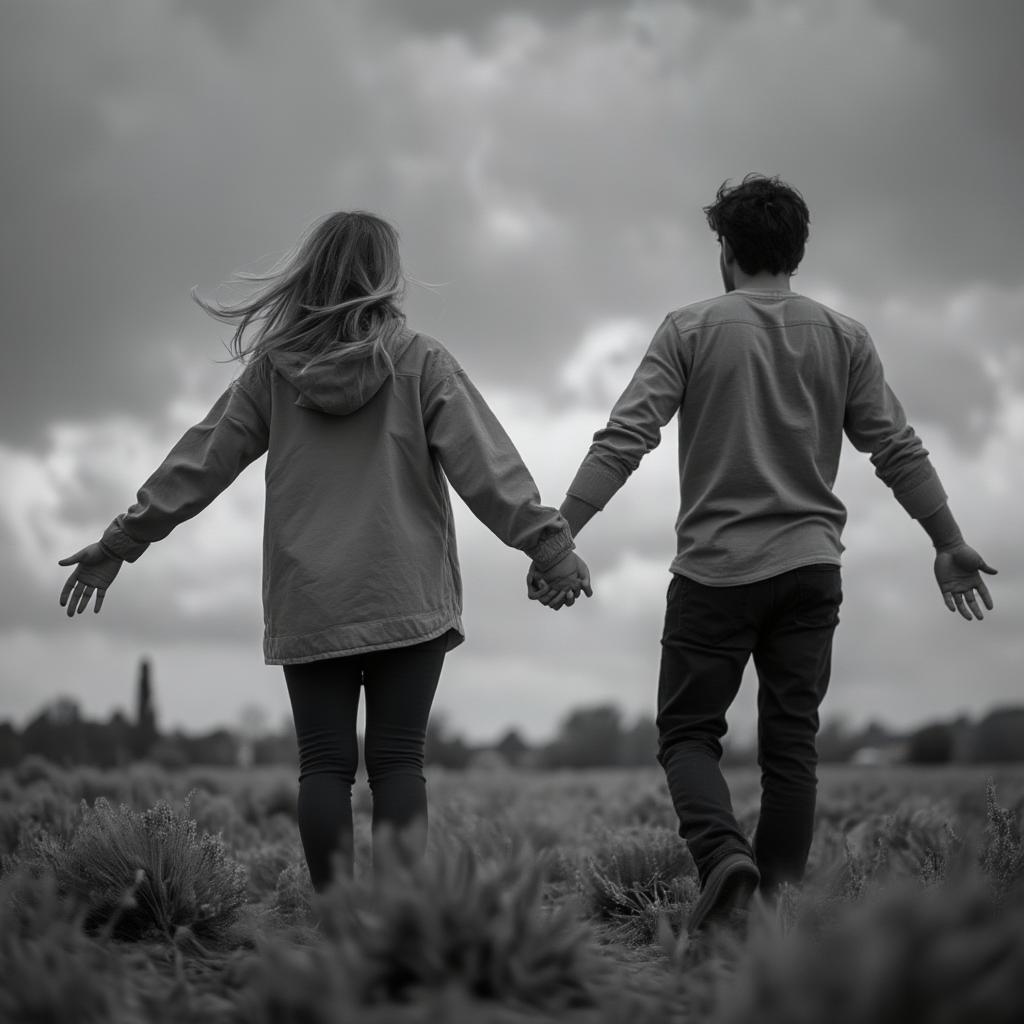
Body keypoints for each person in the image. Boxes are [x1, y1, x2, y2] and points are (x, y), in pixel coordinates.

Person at [58, 210, 591, 892]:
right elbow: (487, 466)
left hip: (310, 601)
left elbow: (199, 462)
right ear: (384, 276)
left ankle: (338, 925)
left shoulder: (274, 373)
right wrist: (550, 547)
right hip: (406, 599)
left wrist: (120, 542)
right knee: (399, 762)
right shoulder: (421, 360)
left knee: (324, 768)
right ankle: (397, 929)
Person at [530, 173, 997, 934]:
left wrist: (563, 533)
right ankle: (772, 910)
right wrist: (946, 539)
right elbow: (895, 447)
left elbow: (626, 438)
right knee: (792, 745)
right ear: (797, 251)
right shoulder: (845, 337)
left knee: (686, 735)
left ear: (725, 249)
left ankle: (723, 862)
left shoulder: (689, 328)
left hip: (714, 572)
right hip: (812, 569)